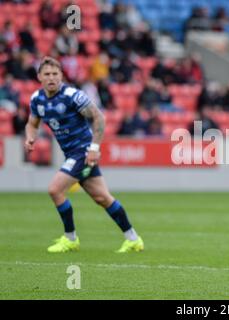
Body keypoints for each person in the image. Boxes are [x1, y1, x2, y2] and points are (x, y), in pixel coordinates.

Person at [24, 57, 144, 253]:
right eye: (47, 74)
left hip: (83, 151)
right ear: (39, 77)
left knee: (55, 190)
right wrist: (30, 137)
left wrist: (94, 148)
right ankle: (133, 239)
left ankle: (70, 238)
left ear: (61, 75)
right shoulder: (37, 99)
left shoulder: (73, 96)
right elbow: (32, 123)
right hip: (72, 153)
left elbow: (98, 117)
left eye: (55, 74)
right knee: (102, 198)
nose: (51, 78)